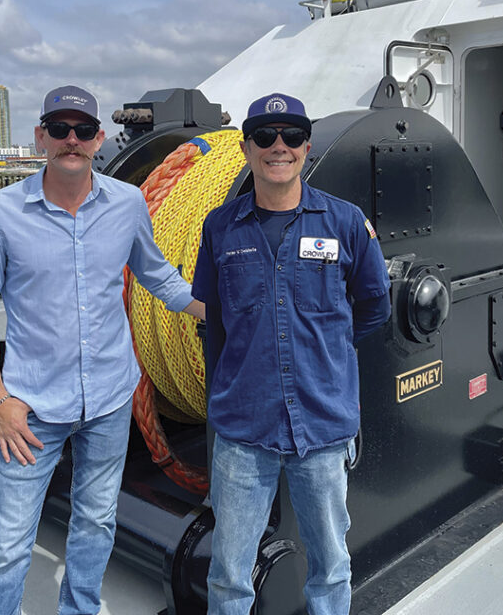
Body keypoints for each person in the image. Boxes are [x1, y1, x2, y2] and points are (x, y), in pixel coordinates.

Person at [0, 84, 205, 615]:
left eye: (84, 130)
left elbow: (157, 275)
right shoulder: (0, 212)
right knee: (7, 543)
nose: (72, 140)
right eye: (60, 129)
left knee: (96, 522)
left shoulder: (128, 203)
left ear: (99, 140)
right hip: (30, 409)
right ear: (40, 136)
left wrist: (213, 311)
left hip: (110, 402)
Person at [192, 92, 391, 615]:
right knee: (229, 575)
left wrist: (328, 360)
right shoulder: (218, 227)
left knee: (330, 568)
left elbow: (374, 306)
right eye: (264, 137)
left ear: (306, 147)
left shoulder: (345, 222)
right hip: (242, 431)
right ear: (246, 148)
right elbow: (215, 321)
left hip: (321, 428)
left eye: (292, 136)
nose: (278, 147)